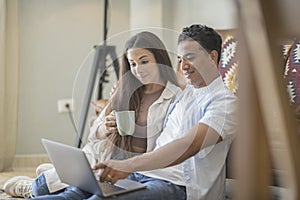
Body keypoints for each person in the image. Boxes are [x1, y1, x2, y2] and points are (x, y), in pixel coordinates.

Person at [3, 31, 183, 199]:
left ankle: (47, 178)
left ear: (159, 59)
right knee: (45, 188)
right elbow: (93, 135)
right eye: (133, 64)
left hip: (139, 170)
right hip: (112, 160)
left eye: (144, 61)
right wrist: (104, 128)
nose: (138, 69)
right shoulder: (125, 90)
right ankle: (36, 185)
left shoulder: (175, 97)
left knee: (70, 192)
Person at [93, 24, 238, 200]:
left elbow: (188, 145)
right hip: (144, 175)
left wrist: (127, 165)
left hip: (178, 186)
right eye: (180, 59)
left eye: (190, 57)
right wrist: (121, 89)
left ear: (212, 57)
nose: (183, 66)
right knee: (83, 191)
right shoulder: (185, 94)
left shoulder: (225, 103)